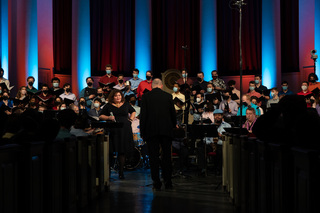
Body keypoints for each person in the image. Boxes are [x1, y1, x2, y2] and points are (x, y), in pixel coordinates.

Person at [140, 78, 176, 190]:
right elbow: (173, 115)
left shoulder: (146, 97)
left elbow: (143, 116)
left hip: (151, 131)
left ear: (152, 86)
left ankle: (156, 182)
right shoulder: (168, 96)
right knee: (166, 157)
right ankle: (168, 182)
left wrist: (143, 131)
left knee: (153, 157)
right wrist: (173, 127)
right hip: (166, 130)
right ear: (161, 86)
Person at [99, 90, 136, 180]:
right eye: (116, 96)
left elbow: (133, 111)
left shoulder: (126, 104)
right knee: (111, 151)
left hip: (124, 130)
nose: (118, 97)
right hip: (113, 130)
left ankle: (121, 172)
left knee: (122, 151)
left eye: (119, 95)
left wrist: (131, 119)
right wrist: (108, 117)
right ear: (112, 97)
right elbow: (100, 116)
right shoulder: (108, 105)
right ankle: (108, 173)